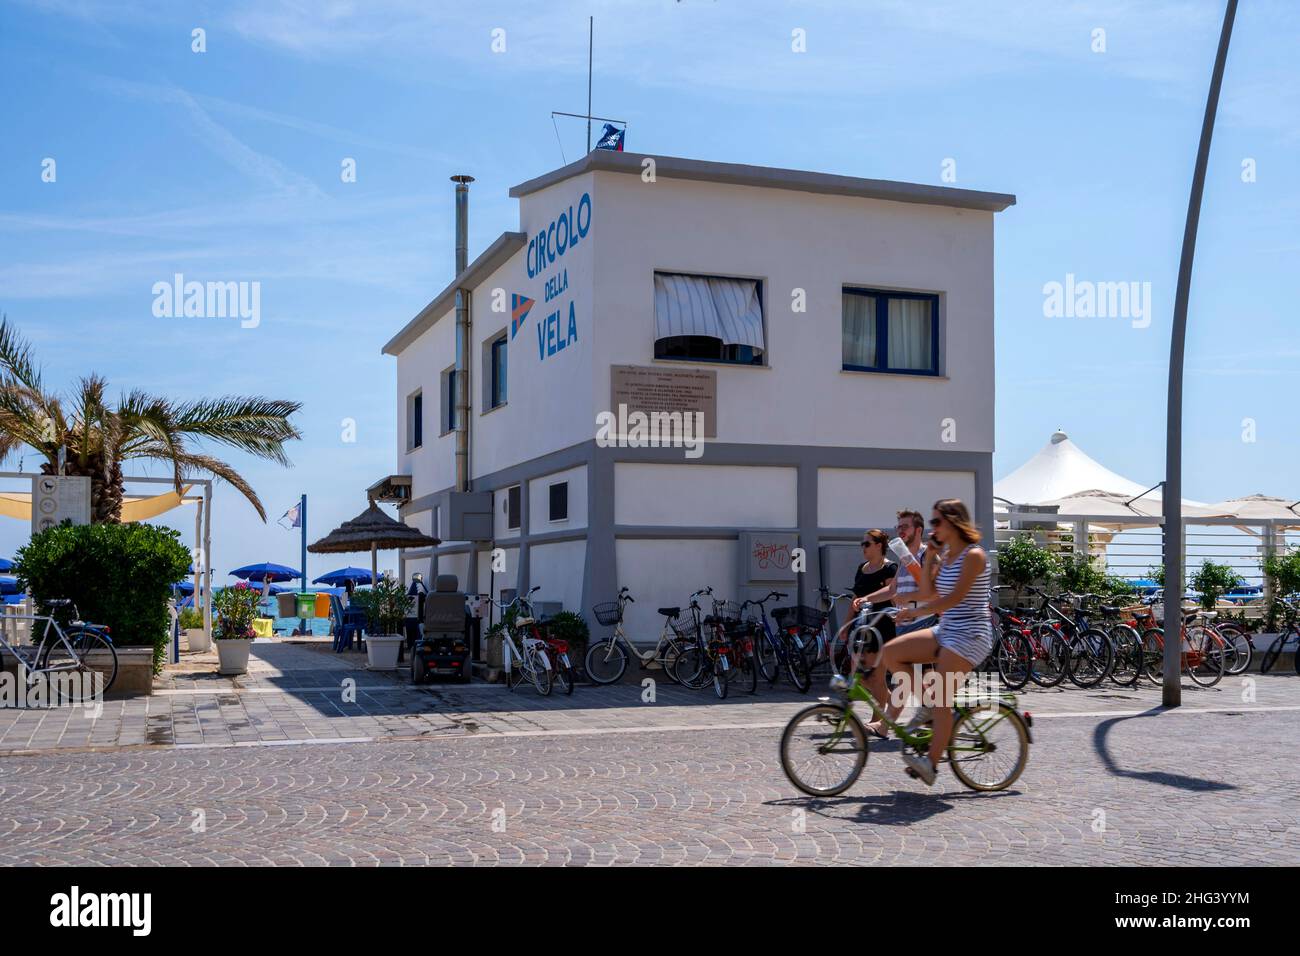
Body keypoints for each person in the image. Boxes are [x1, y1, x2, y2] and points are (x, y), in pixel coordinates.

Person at [863, 498, 992, 786]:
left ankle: (931, 764)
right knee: (891, 653)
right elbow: (929, 591)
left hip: (971, 635)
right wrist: (931, 557)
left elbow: (953, 598)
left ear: (954, 522)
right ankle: (930, 704)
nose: (933, 528)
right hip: (947, 630)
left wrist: (916, 611)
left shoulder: (974, 555)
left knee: (942, 697)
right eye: (932, 522)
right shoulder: (945, 556)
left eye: (936, 522)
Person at [856, 510, 932, 733]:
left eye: (904, 526)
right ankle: (932, 722)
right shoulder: (905, 557)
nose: (900, 530)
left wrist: (909, 601)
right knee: (909, 679)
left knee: (910, 677)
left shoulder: (927, 556)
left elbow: (934, 592)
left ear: (918, 530)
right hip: (905, 624)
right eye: (898, 527)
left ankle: (887, 724)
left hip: (923, 623)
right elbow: (892, 589)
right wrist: (866, 599)